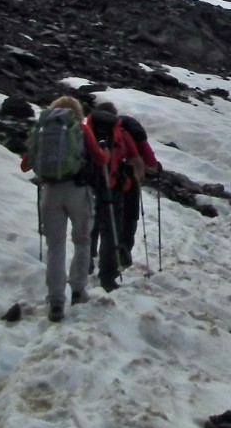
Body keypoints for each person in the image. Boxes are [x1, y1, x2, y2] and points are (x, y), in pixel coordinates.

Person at [21, 96, 108, 322]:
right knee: (82, 240)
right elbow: (100, 159)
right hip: (78, 190)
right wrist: (103, 152)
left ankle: (56, 300)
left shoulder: (43, 129)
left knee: (55, 246)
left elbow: (25, 165)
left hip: (50, 191)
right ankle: (78, 290)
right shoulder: (80, 128)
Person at [87, 101, 160, 283]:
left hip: (91, 183)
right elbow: (143, 158)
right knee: (123, 221)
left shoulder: (87, 129)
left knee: (95, 220)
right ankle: (120, 257)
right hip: (122, 183)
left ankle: (87, 259)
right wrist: (149, 170)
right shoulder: (125, 131)